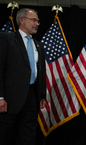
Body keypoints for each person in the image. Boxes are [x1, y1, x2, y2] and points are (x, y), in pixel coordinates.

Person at [0, 8, 46, 145]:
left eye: (38, 21)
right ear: (21, 20)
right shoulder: (6, 39)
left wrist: (42, 95)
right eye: (33, 20)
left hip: (31, 97)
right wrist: (0, 97)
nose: (37, 23)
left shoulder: (39, 45)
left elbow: (41, 72)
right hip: (9, 98)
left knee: (28, 135)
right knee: (5, 135)